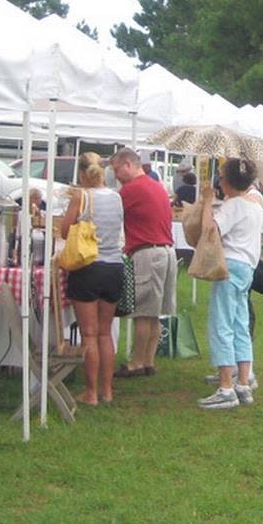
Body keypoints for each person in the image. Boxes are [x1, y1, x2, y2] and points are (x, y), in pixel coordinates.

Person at [196, 159, 263, 410]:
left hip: (230, 266)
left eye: (221, 178)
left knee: (221, 324)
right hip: (247, 267)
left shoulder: (232, 206)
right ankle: (243, 381)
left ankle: (226, 387)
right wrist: (254, 243)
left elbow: (210, 230)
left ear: (227, 182)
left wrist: (208, 201)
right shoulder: (254, 205)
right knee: (240, 323)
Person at [59, 152, 124, 406]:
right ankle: (108, 390)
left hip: (88, 267)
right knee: (105, 333)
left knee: (89, 333)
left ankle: (91, 392)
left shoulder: (81, 196)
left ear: (83, 175)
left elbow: (65, 230)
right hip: (114, 267)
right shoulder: (117, 197)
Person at [110, 147, 177, 377]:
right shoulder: (156, 186)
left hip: (147, 253)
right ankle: (148, 361)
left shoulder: (131, 189)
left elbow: (110, 212)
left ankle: (136, 362)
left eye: (117, 169)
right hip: (167, 251)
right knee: (154, 313)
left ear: (129, 164)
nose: (116, 175)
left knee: (142, 312)